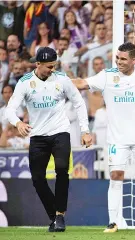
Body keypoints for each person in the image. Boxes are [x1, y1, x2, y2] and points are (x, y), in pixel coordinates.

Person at [72, 42, 135, 233]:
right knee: (115, 176)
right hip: (117, 139)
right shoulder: (107, 76)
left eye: (123, 59)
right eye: (117, 58)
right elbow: (82, 83)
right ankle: (113, 221)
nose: (118, 62)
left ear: (134, 61)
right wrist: (57, 81)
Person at [5, 47, 91, 232]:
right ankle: (55, 216)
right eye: (49, 66)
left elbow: (78, 102)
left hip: (60, 132)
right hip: (37, 136)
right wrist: (18, 123)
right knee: (37, 179)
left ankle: (60, 214)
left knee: (62, 170)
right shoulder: (25, 83)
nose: (53, 69)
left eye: (54, 65)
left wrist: (85, 130)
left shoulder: (62, 79)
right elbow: (9, 109)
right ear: (38, 64)